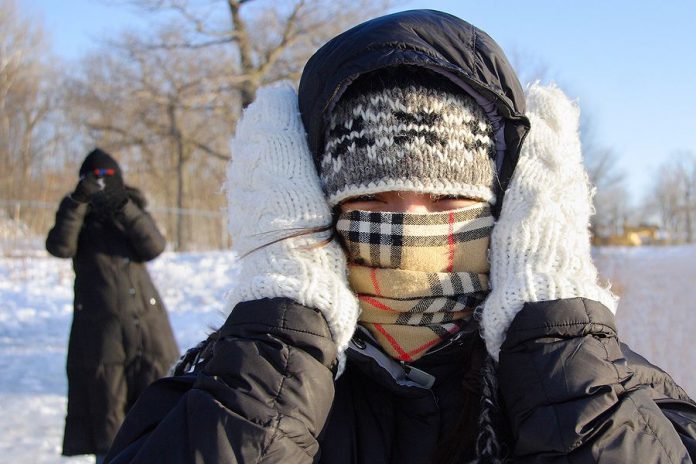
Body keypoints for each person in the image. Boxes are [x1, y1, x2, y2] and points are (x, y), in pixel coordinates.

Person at [104, 10, 696, 463]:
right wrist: (282, 327)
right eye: (371, 199)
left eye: (446, 200)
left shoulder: (612, 389)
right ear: (311, 210)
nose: (409, 224)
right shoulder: (229, 386)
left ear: (514, 211)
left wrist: (551, 333)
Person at [46, 148, 180, 463]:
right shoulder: (78, 219)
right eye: (94, 178)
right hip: (99, 337)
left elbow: (154, 245)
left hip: (146, 330)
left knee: (158, 418)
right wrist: (77, 202)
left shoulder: (132, 208)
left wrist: (122, 205)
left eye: (108, 178)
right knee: (109, 425)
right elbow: (60, 246)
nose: (101, 184)